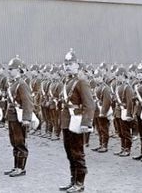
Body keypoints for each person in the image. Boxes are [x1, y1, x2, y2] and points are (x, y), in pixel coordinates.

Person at [59, 48, 95, 193]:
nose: (68, 66)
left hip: (77, 121)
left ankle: (80, 183)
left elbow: (89, 104)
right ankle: (73, 180)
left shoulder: (81, 82)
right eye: (66, 64)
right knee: (69, 152)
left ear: (77, 65)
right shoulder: (67, 81)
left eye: (71, 63)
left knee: (77, 153)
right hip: (67, 121)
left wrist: (87, 123)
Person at [3, 56, 34, 177]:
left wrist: (27, 118)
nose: (9, 71)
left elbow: (27, 102)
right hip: (12, 117)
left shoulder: (22, 84)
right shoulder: (13, 84)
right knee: (14, 142)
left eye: (11, 69)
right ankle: (16, 166)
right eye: (9, 69)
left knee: (20, 142)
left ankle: (21, 168)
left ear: (18, 69)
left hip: (19, 118)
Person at [0, 62, 9, 128]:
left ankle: (3, 122)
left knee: (3, 108)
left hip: (3, 95)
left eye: (0, 69)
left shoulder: (4, 78)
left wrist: (3, 96)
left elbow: (6, 87)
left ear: (2, 69)